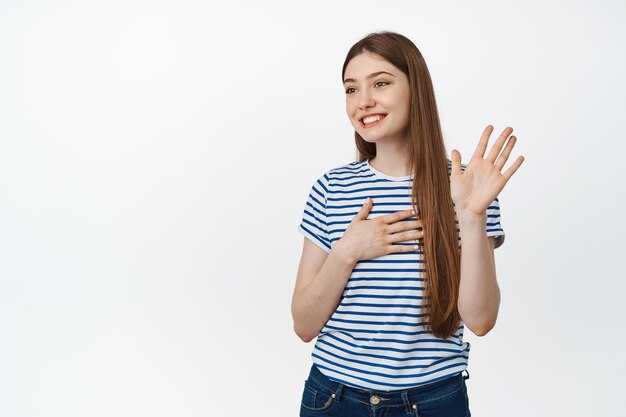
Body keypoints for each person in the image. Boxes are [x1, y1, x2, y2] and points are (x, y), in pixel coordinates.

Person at [291, 31, 524, 417]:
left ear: (417, 89)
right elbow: (303, 324)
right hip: (334, 398)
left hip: (433, 401)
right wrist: (347, 251)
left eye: (380, 83)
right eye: (351, 89)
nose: (363, 101)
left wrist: (471, 216)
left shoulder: (467, 187)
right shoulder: (331, 188)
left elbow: (480, 321)